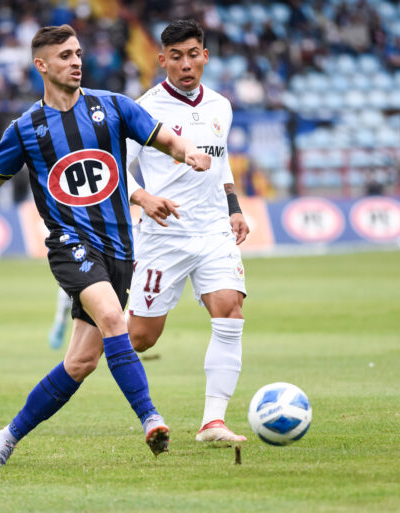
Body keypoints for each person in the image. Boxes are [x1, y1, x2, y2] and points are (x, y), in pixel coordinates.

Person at [0, 25, 212, 467]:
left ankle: (6, 436)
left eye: (77, 53)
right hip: (70, 244)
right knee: (113, 318)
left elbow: (167, 139)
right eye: (64, 56)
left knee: (80, 362)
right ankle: (150, 418)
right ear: (41, 65)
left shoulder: (113, 106)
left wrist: (188, 152)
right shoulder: (26, 128)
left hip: (120, 250)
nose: (76, 61)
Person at [124, 19, 250, 443]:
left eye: (193, 55)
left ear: (205, 57)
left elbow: (221, 159)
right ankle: (99, 324)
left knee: (230, 310)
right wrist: (143, 198)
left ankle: (213, 422)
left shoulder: (220, 106)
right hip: (164, 234)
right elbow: (115, 168)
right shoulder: (144, 110)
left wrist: (234, 207)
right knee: (141, 338)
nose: (185, 64)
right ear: (162, 60)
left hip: (213, 230)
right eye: (175, 57)